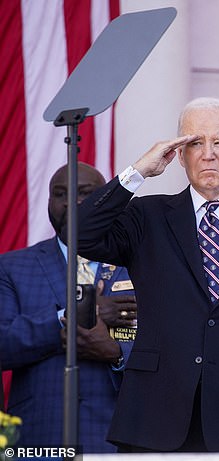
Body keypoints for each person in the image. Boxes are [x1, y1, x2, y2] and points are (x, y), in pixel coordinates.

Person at [70, 97, 219, 452]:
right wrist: (138, 171)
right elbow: (80, 232)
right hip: (154, 422)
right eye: (195, 142)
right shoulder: (147, 218)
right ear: (180, 155)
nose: (208, 153)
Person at [0, 162, 137, 452]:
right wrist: (69, 319)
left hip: (118, 437)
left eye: (85, 193)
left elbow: (169, 349)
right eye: (60, 193)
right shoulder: (12, 267)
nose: (72, 202)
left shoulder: (140, 266)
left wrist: (116, 354)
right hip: (40, 437)